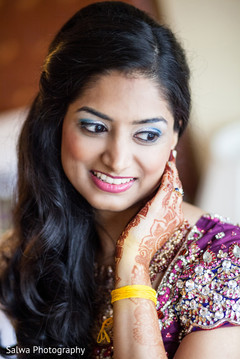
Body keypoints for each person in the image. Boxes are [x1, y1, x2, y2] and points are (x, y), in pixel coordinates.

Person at [0, 1, 240, 358]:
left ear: (175, 134)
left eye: (146, 135)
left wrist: (133, 264)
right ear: (56, 123)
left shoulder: (221, 263)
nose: (117, 159)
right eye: (95, 127)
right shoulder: (23, 251)